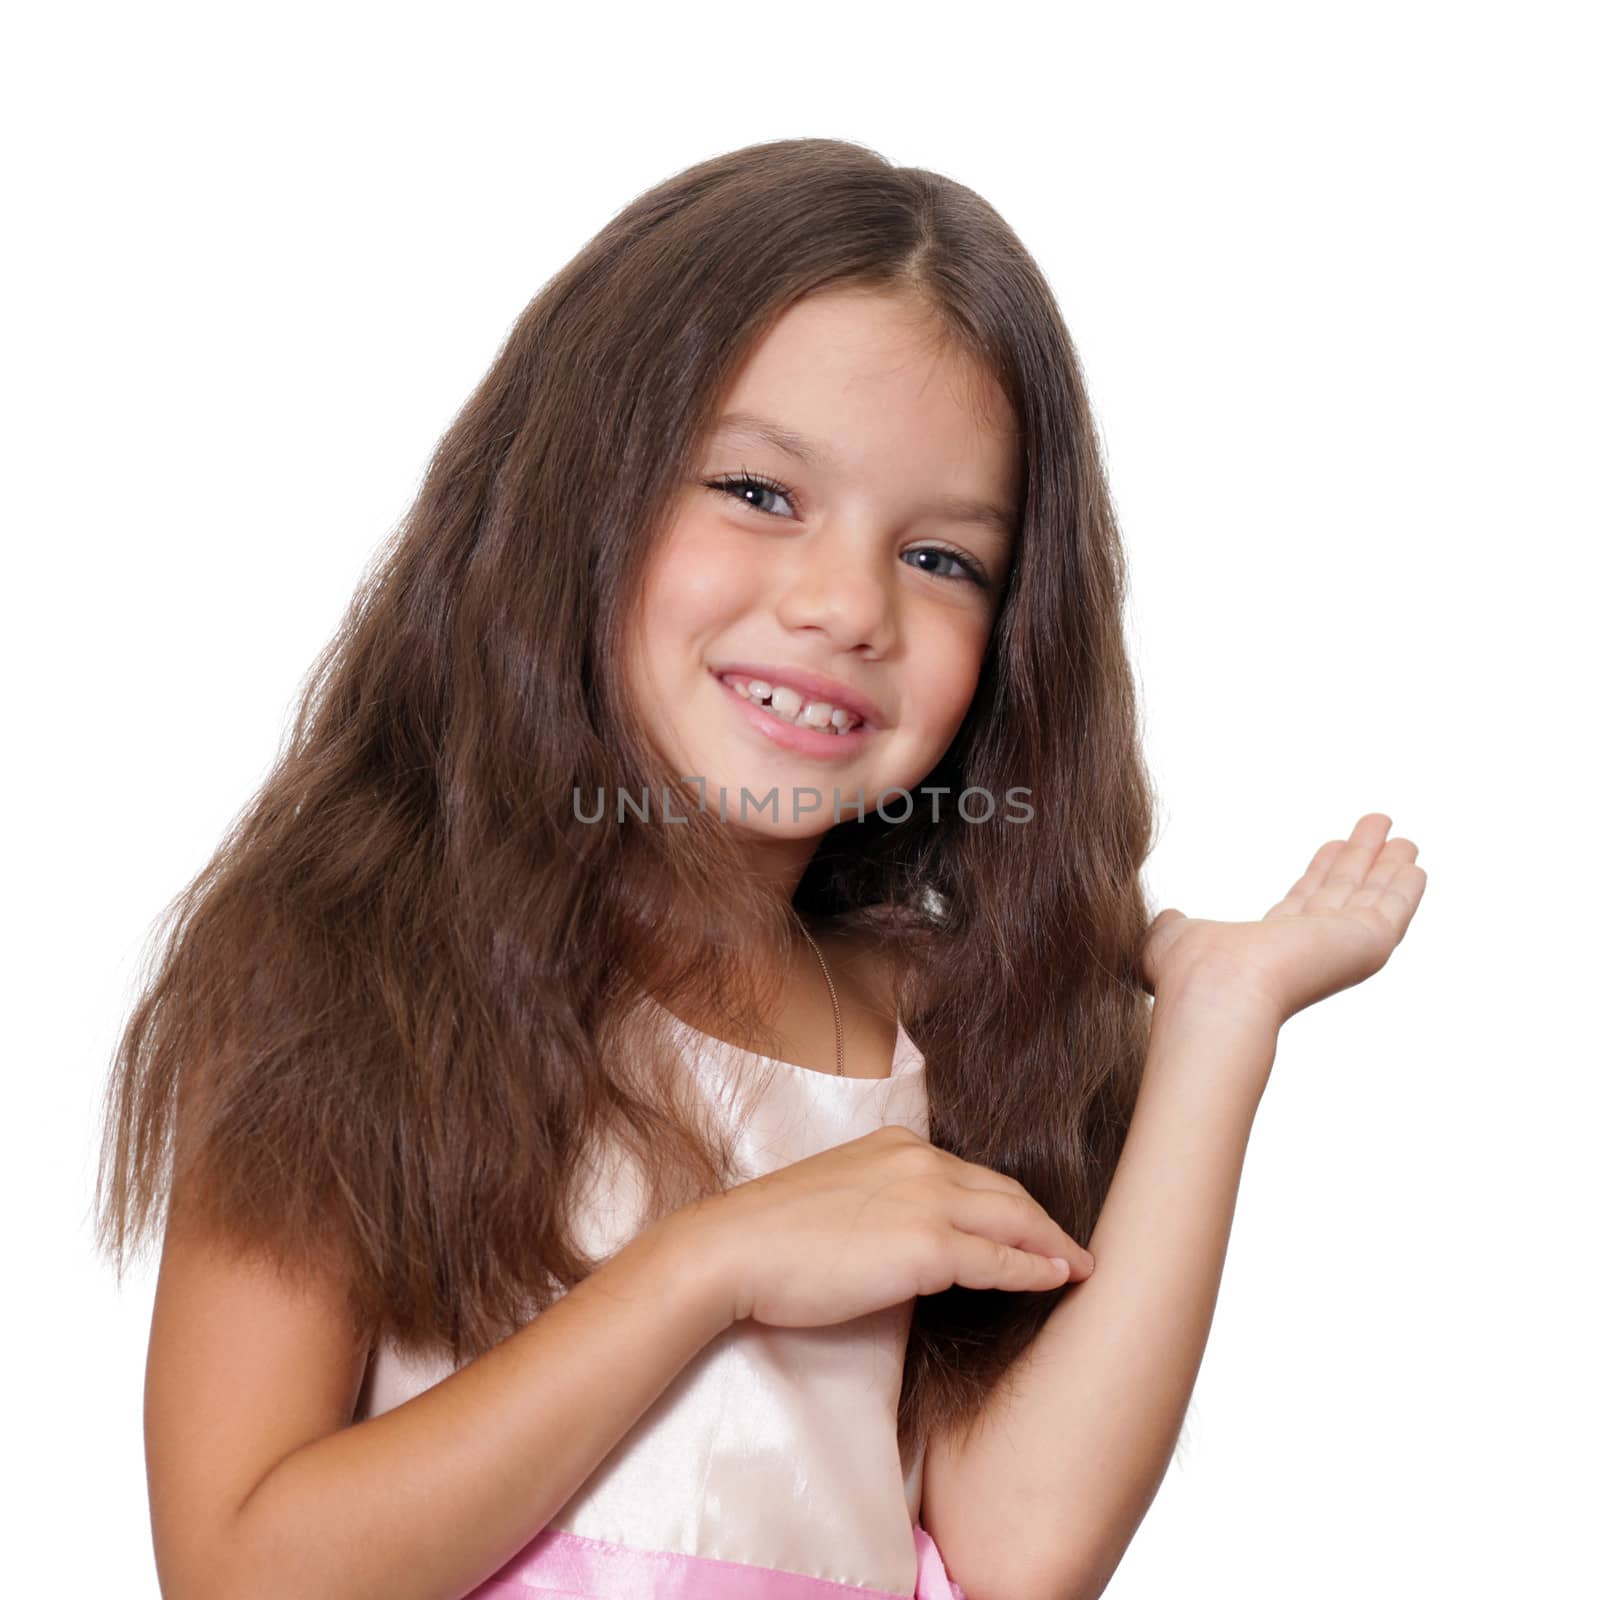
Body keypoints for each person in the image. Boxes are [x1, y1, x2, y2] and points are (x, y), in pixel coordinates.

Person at [93, 136, 1426, 1600]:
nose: (848, 605)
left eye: (942, 560)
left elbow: (1023, 1546)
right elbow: (238, 1571)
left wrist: (1220, 1031)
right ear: (574, 495)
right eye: (760, 491)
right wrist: (707, 1266)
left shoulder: (928, 1024)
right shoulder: (354, 967)